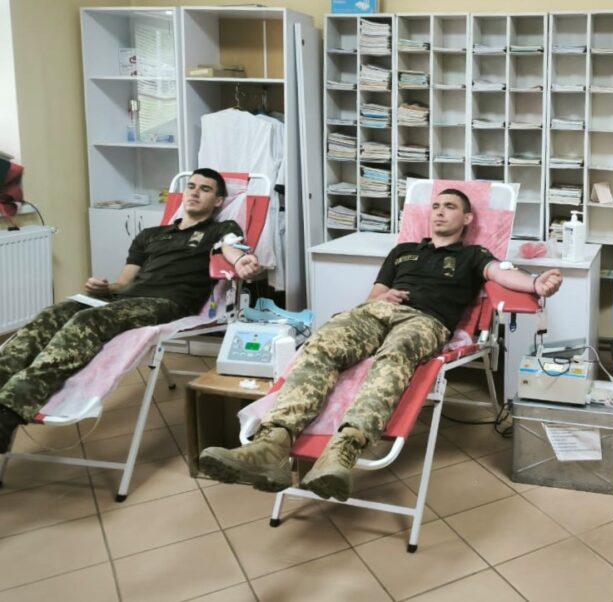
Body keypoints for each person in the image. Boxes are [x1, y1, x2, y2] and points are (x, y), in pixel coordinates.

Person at [199, 188, 563, 502]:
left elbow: (502, 274)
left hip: (426, 321)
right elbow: (374, 294)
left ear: (467, 218)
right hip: (376, 312)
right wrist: (382, 296)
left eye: (450, 207)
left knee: (394, 356)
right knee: (322, 343)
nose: (439, 212)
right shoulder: (402, 251)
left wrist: (536, 284)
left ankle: (343, 452)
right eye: (436, 206)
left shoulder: (473, 255)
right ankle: (272, 443)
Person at [0, 168, 261, 454]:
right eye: (191, 186)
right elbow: (123, 283)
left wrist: (242, 262)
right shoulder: (150, 235)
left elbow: (232, 250)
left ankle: (10, 409)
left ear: (219, 201)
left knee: (88, 320)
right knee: (52, 313)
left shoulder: (220, 229)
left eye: (205, 189)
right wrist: (103, 287)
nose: (195, 192)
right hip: (124, 299)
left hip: (167, 302)